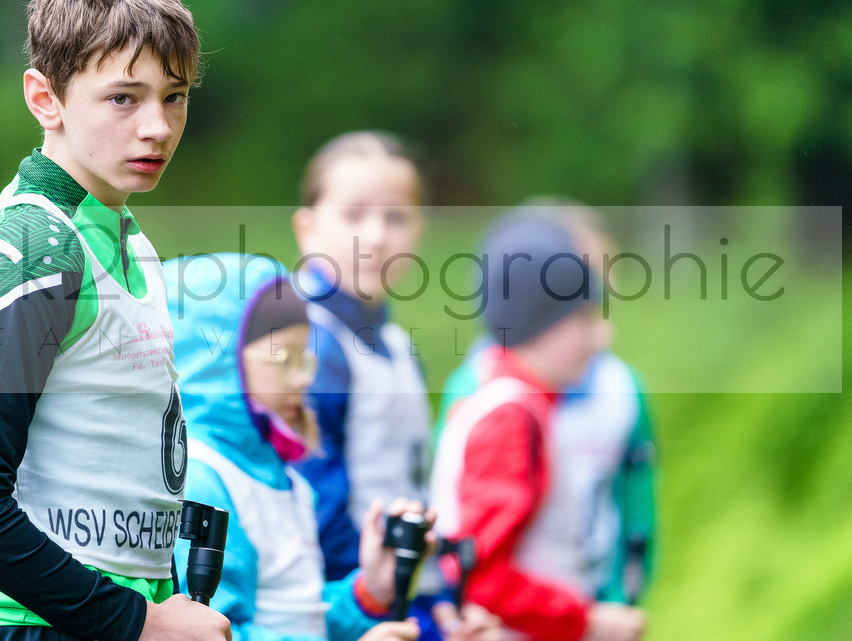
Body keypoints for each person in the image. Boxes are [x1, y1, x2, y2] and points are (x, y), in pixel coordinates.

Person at [0, 0, 230, 639]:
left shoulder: (128, 241)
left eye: (174, 96)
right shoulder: (38, 242)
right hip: (23, 624)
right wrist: (139, 622)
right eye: (124, 98)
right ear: (45, 98)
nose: (157, 126)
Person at [163, 252, 425, 641]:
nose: (303, 379)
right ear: (215, 362)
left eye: (305, 359)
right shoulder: (203, 480)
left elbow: (300, 617)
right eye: (284, 359)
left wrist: (368, 592)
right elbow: (211, 632)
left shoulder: (287, 480)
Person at [429, 214, 647, 641]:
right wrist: (585, 621)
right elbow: (483, 578)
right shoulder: (509, 417)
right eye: (585, 319)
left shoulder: (523, 405)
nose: (601, 336)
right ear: (538, 324)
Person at [289, 132, 447, 634]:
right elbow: (312, 502)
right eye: (354, 215)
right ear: (307, 228)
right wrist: (371, 599)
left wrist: (438, 594)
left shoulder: (396, 344)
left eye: (397, 217)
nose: (377, 236)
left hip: (406, 593)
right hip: (345, 602)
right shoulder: (309, 342)